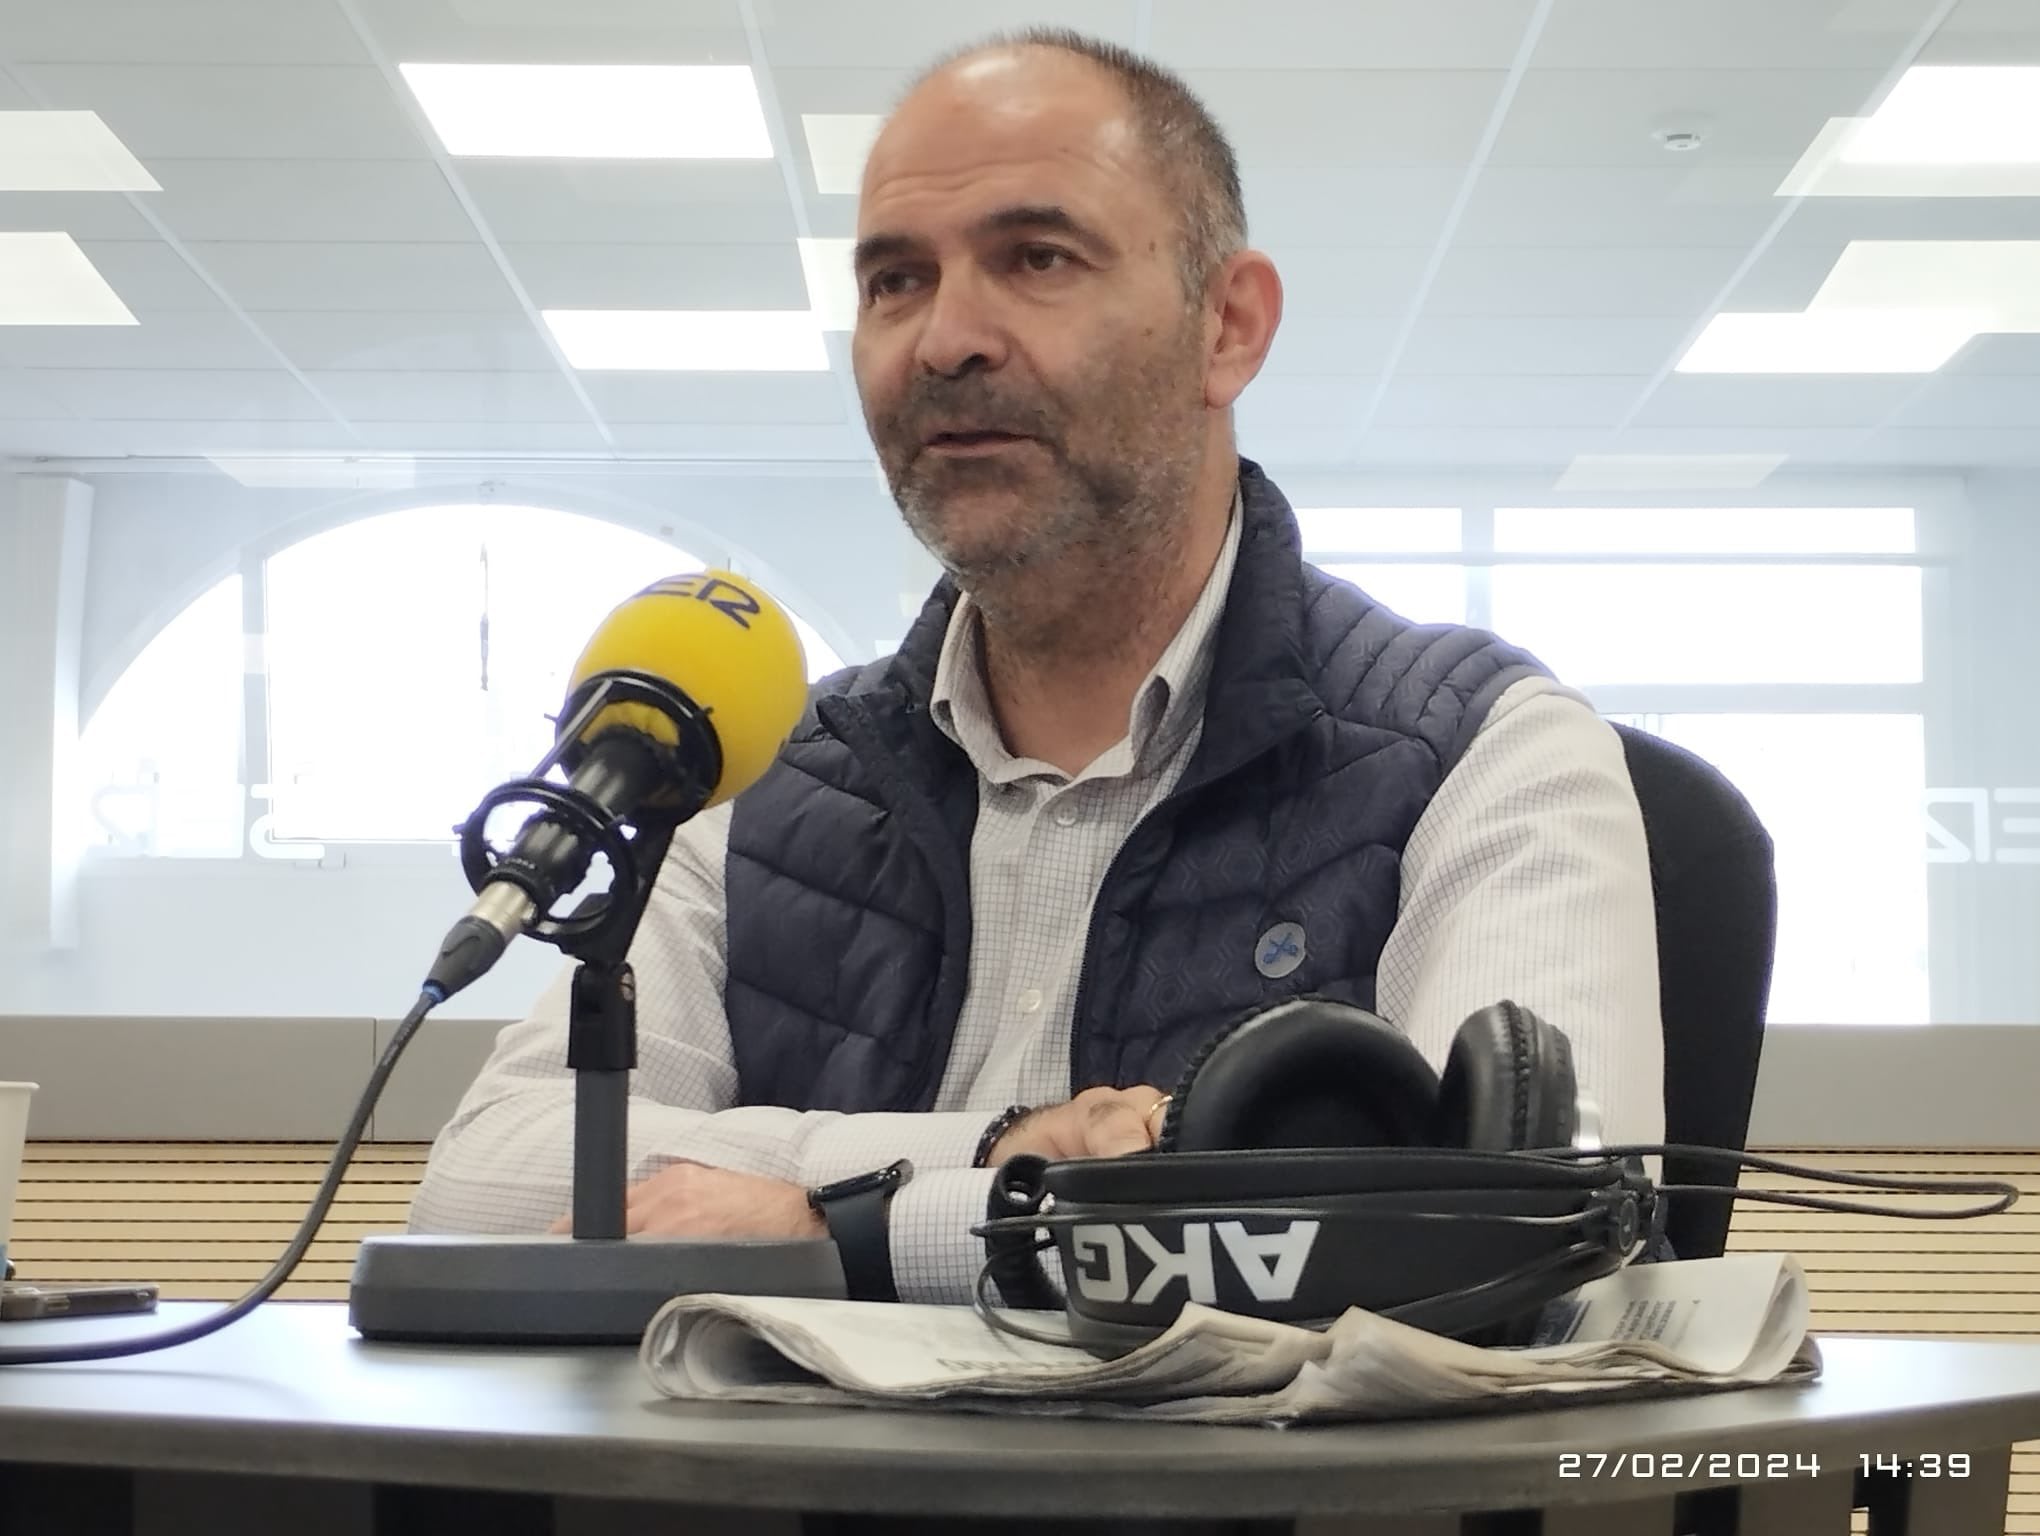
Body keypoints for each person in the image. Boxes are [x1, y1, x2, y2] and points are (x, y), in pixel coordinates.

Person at [409, 29, 1665, 1303]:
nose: (946, 338)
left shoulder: (1485, 748)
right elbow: (484, 1181)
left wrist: (844, 1230)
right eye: (896, 281)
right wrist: (999, 1154)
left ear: (1228, 328)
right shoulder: (750, 778)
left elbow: (1516, 1233)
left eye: (1037, 259)